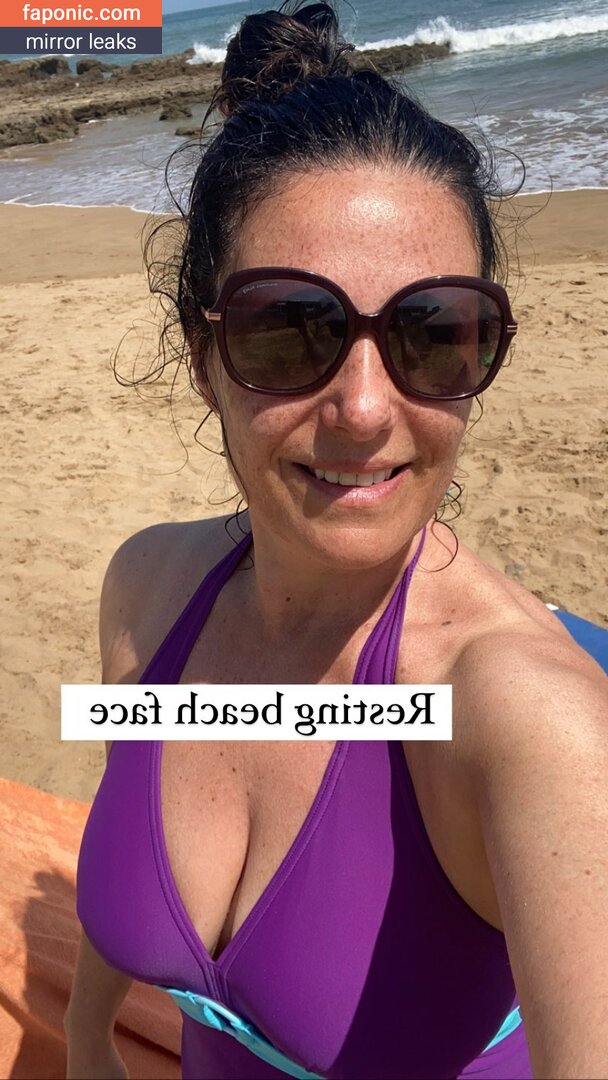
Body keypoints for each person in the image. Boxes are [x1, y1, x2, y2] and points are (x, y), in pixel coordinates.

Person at [65, 4, 608, 1078]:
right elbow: (125, 829)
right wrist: (87, 1039)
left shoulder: (526, 725)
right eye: (289, 328)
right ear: (201, 358)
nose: (364, 409)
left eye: (433, 332)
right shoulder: (148, 590)